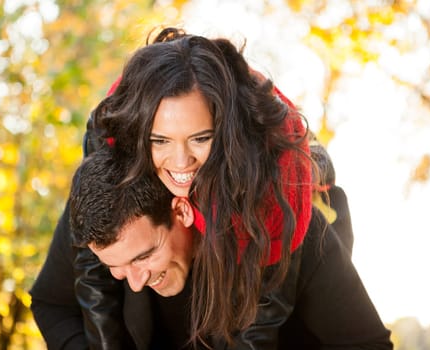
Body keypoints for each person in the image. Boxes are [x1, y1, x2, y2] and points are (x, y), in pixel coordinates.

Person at [30, 27, 393, 349]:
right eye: (160, 140)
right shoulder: (114, 196)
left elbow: (364, 342)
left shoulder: (279, 209)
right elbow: (57, 300)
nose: (181, 162)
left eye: (201, 138)